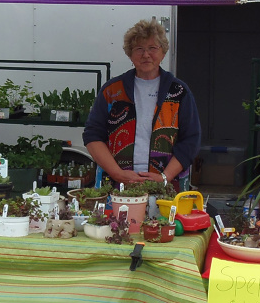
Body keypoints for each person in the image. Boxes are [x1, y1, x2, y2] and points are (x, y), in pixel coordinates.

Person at [83, 18, 200, 188]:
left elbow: (191, 140)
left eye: (152, 48)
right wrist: (117, 174)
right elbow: (93, 135)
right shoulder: (112, 91)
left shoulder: (179, 92)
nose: (146, 55)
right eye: (139, 49)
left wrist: (164, 177)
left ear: (163, 52)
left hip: (166, 185)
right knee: (117, 216)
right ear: (130, 54)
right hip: (118, 184)